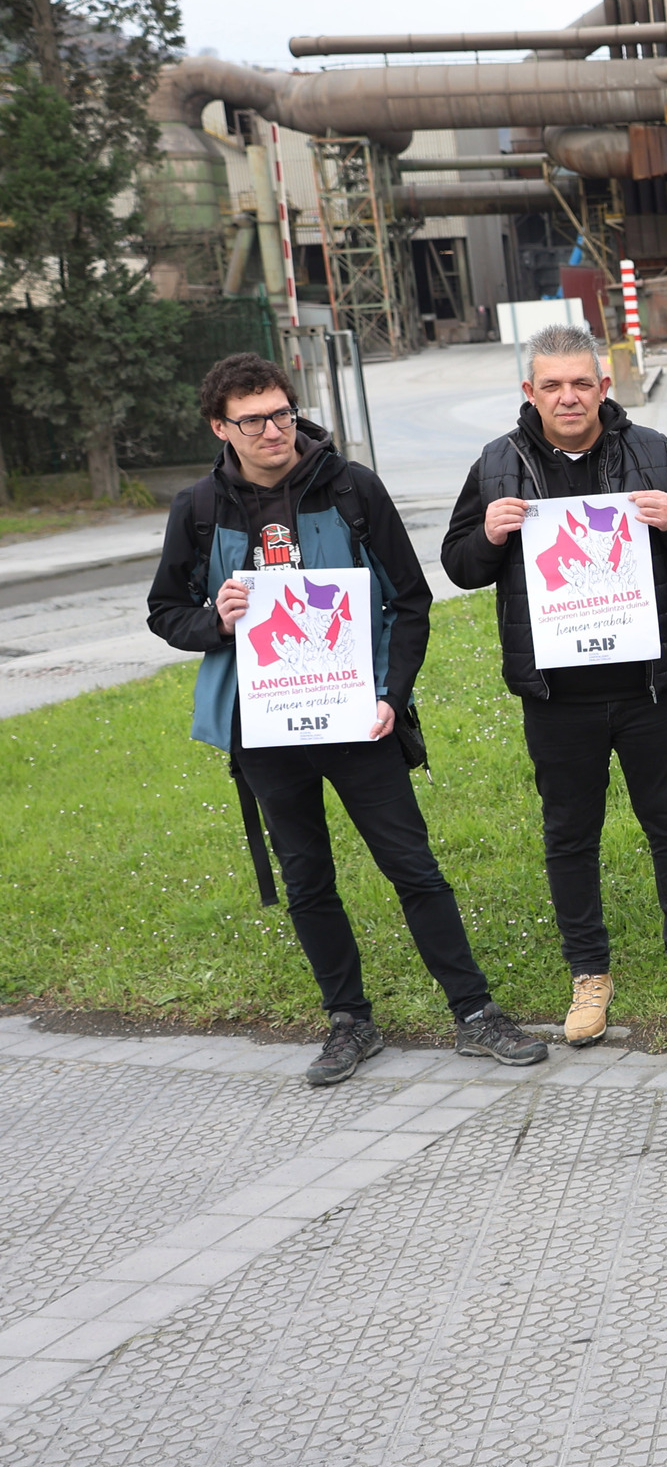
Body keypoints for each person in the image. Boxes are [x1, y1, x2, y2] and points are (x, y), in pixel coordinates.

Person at [148, 353, 548, 1085]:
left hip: (359, 719)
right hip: (267, 730)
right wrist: (216, 622)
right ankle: (348, 1021)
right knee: (307, 879)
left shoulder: (352, 488)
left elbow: (411, 601)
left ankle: (474, 1012)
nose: (274, 430)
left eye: (281, 413)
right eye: (253, 420)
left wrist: (391, 698)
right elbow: (165, 612)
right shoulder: (198, 510)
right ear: (220, 427)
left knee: (414, 869)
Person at [443, 327, 667, 1043]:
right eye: (552, 386)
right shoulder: (496, 464)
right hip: (556, 693)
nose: (568, 397)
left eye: (581, 383)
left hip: (650, 683)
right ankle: (588, 973)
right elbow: (458, 565)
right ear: (530, 393)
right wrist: (487, 535)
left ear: (604, 387)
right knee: (570, 833)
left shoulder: (651, 451)